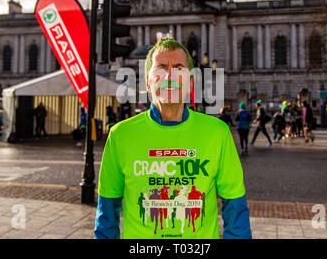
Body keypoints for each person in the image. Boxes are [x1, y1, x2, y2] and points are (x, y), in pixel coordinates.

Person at [94, 38, 252, 239]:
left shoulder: (218, 133)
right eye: (160, 68)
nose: (169, 76)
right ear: (148, 83)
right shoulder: (120, 135)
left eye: (179, 68)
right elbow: (106, 216)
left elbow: (235, 210)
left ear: (191, 82)